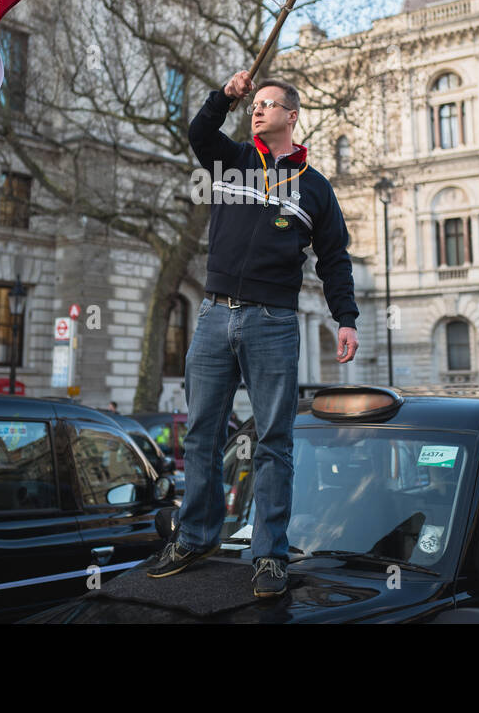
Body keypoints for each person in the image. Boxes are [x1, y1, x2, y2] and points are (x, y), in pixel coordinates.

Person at [146, 70, 358, 597]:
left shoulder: (314, 188)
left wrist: (345, 318)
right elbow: (198, 131)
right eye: (254, 104)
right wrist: (225, 95)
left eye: (268, 104)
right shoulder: (232, 160)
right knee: (200, 434)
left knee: (273, 442)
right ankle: (195, 536)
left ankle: (269, 556)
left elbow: (335, 259)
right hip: (215, 315)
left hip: (274, 322)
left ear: (292, 115)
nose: (257, 111)